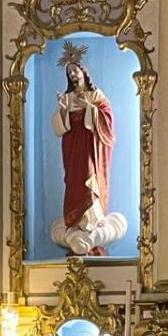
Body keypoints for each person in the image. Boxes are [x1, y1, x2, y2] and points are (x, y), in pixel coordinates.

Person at [51, 45, 124, 256]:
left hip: (90, 148)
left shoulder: (95, 94)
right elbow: (59, 128)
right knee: (74, 181)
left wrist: (89, 108)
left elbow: (107, 119)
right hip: (73, 149)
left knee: (90, 179)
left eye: (75, 70)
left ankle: (92, 222)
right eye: (70, 72)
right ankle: (76, 223)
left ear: (83, 71)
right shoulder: (67, 98)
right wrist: (63, 110)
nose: (73, 74)